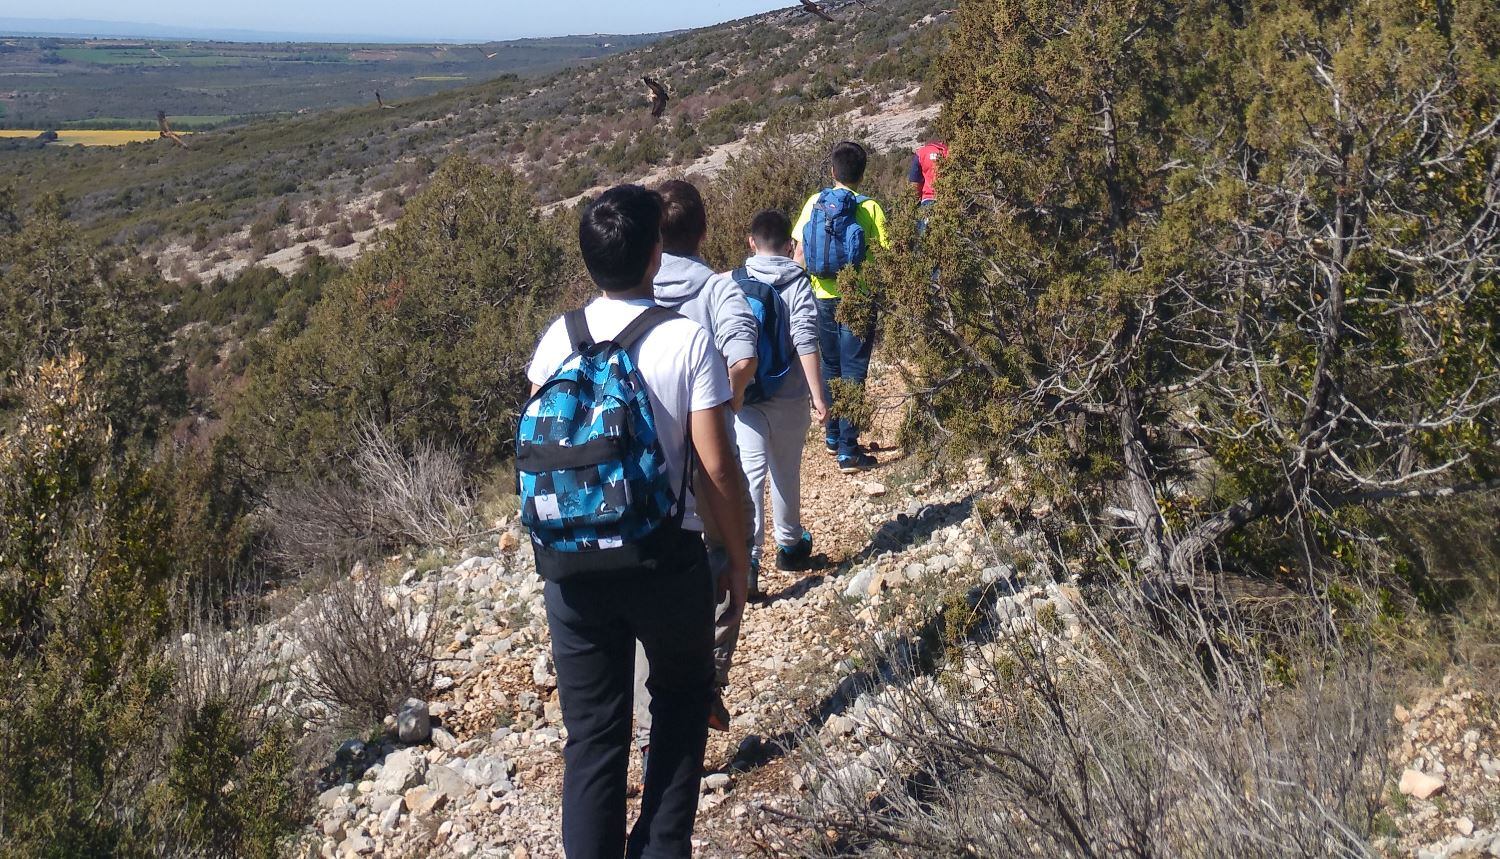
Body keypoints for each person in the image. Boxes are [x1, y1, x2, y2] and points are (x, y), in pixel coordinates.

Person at [524, 184, 751, 858]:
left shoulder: (558, 338)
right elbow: (715, 470)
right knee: (680, 704)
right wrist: (735, 557)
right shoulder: (685, 341)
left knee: (593, 737)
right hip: (664, 560)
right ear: (656, 254)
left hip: (571, 568)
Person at [633, 179, 757, 753]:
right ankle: (707, 680)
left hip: (641, 463)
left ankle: (648, 717)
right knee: (728, 558)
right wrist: (722, 405)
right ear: (703, 230)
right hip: (706, 460)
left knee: (646, 581)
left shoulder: (633, 289)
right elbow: (744, 356)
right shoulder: (718, 289)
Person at [729, 209, 829, 582]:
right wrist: (818, 395)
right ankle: (789, 546)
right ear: (790, 245)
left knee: (750, 474)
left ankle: (749, 561)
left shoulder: (732, 282)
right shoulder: (798, 282)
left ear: (751, 242)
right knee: (785, 470)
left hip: (747, 394)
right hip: (789, 395)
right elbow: (805, 336)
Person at [792, 140, 890, 474]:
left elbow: (800, 254)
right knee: (854, 370)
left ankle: (832, 435)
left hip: (822, 297)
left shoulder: (814, 203)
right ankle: (849, 450)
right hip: (859, 299)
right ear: (862, 175)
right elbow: (887, 255)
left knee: (830, 365)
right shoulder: (871, 208)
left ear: (833, 171)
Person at [908, 138, 947, 235]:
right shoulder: (951, 152)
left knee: (924, 237)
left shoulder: (922, 153)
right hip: (950, 201)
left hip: (928, 201)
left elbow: (914, 186)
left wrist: (913, 206)